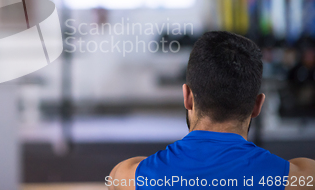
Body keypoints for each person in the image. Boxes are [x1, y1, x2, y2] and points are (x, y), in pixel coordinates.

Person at [108, 31, 315, 190]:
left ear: (187, 97)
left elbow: (114, 180)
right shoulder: (298, 179)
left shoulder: (128, 176)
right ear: (257, 106)